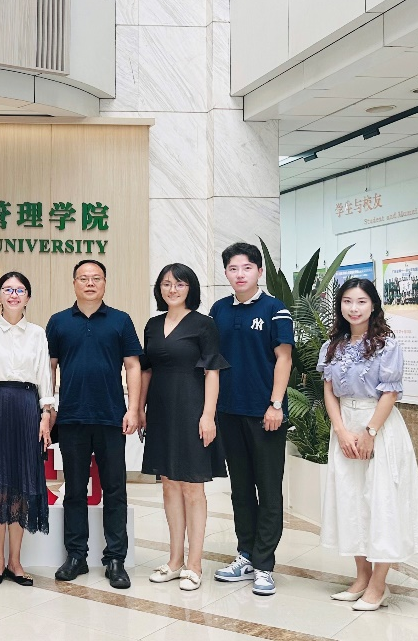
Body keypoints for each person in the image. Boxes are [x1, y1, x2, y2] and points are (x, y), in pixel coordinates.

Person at [319, 277, 418, 611]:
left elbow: (390, 392)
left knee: (382, 502)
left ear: (373, 306)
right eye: (347, 301)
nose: (354, 308)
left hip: (378, 427)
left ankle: (379, 584)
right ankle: (361, 577)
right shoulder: (332, 346)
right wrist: (341, 430)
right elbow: (329, 390)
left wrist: (370, 432)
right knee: (351, 500)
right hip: (345, 426)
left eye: (361, 302)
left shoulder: (386, 345)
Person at [46, 259, 143, 589]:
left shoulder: (120, 320)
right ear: (74, 283)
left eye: (96, 278)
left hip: (111, 417)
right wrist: (49, 408)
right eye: (83, 278)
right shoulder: (59, 322)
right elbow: (49, 367)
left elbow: (133, 365)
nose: (90, 283)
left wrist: (133, 409)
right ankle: (76, 556)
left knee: (115, 489)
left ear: (105, 283)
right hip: (72, 417)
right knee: (74, 490)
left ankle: (115, 559)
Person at [208, 242, 293, 596]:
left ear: (259, 271)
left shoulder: (275, 310)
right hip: (229, 412)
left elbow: (284, 359)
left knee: (268, 489)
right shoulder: (218, 310)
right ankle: (245, 554)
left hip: (265, 414)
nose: (240, 274)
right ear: (226, 273)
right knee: (241, 489)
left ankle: (264, 564)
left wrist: (275, 405)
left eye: (246, 268)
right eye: (233, 268)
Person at [138, 264, 228, 592]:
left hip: (192, 408)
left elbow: (212, 371)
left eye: (179, 284)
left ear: (190, 288)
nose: (172, 289)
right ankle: (175, 560)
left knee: (192, 487)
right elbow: (146, 370)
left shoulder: (204, 324)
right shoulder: (152, 325)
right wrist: (140, 409)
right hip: (161, 410)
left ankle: (195, 564)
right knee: (169, 485)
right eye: (166, 284)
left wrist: (208, 415)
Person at [0, 271, 51, 587]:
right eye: (8, 289)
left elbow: (45, 376)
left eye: (20, 290)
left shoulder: (37, 333)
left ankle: (16, 562)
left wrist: (45, 415)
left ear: (28, 297)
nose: (14, 295)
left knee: (20, 481)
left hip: (27, 407)